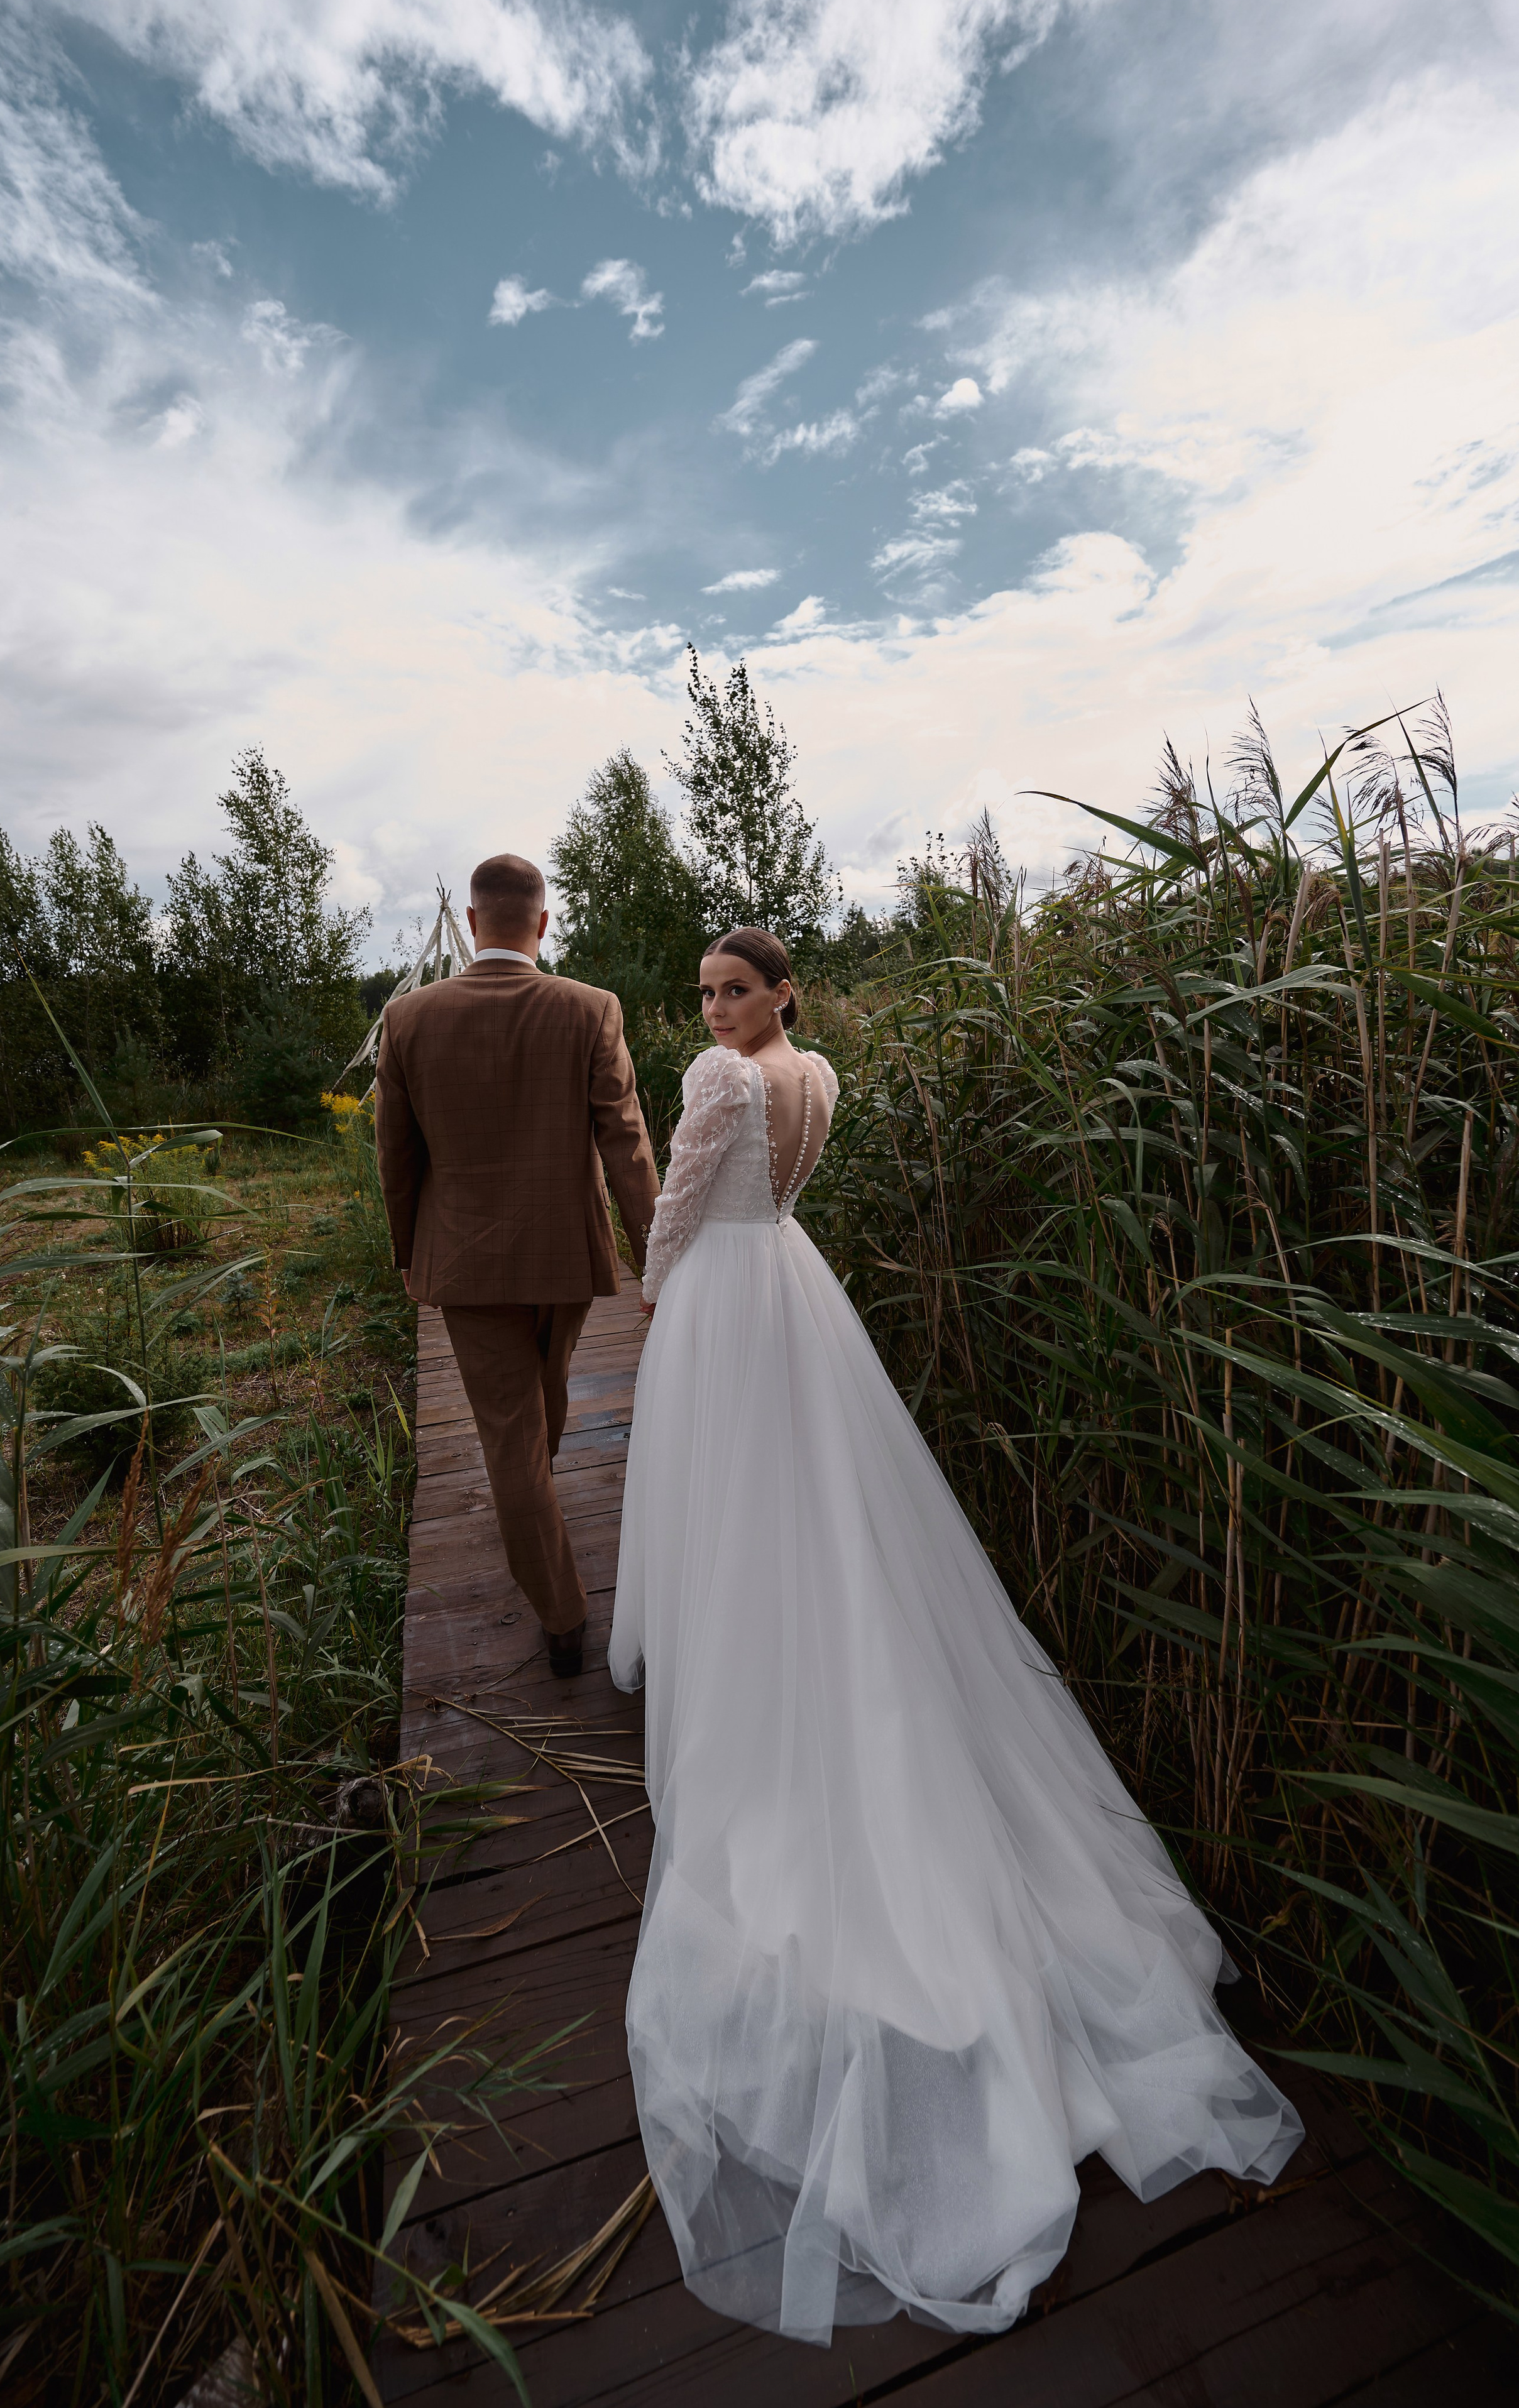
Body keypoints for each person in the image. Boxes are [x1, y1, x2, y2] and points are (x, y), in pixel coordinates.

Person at [609, 926, 1302, 2345]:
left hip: (729, 1301)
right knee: (819, 1508)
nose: (717, 1009)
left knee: (736, 1504)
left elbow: (677, 1210)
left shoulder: (719, 1082)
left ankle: (751, 1690)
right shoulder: (819, 1076)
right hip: (798, 1288)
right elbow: (777, 1192)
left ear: (775, 989)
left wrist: (650, 1285)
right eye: (706, 996)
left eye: (734, 988)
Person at [376, 853, 659, 1675]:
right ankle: (565, 1613)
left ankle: (532, 1519)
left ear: (472, 924)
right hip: (566, 1257)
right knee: (524, 1432)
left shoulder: (409, 1018)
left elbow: (397, 1158)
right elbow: (628, 1145)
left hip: (465, 1264)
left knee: (520, 1428)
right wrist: (659, 1258)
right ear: (542, 922)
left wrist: (407, 1253)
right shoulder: (590, 1008)